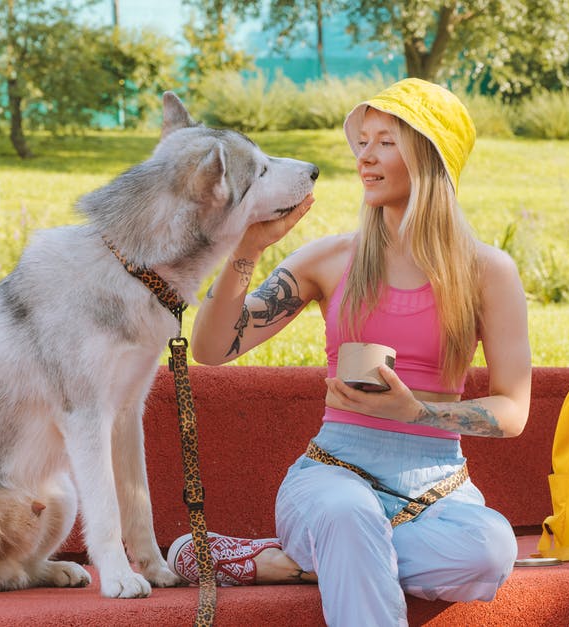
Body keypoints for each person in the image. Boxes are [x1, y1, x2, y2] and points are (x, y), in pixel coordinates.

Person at [179, 78, 532, 625]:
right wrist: (244, 249)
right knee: (348, 516)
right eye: (362, 141)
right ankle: (332, 547)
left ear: (430, 157)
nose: (364, 156)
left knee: (489, 553)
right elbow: (211, 349)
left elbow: (513, 410)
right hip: (332, 476)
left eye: (385, 142)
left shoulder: (488, 273)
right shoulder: (330, 259)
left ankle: (279, 560)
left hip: (439, 490)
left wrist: (419, 413)